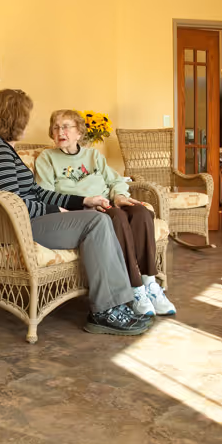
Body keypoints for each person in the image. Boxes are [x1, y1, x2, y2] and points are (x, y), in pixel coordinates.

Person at [0, 89, 151, 336]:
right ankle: (106, 311)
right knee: (97, 222)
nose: (28, 122)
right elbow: (15, 203)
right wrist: (57, 210)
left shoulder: (3, 149)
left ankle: (117, 302)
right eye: (25, 116)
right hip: (18, 226)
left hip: (32, 219)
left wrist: (82, 201)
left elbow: (38, 192)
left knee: (98, 218)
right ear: (14, 118)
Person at [35, 109, 176, 316]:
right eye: (55, 127)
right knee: (117, 217)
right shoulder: (47, 158)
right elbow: (45, 194)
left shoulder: (93, 156)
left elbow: (116, 180)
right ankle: (135, 289)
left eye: (66, 126)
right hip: (82, 211)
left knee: (141, 213)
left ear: (79, 133)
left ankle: (150, 284)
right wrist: (82, 205)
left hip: (108, 202)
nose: (60, 131)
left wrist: (119, 196)